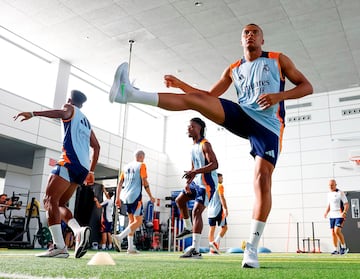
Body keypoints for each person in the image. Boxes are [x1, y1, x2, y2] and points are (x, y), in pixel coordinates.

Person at [109, 23, 313, 267]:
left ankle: (252, 249)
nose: (250, 35)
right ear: (241, 41)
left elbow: (307, 87)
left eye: (254, 32)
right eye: (245, 33)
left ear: (262, 40)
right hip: (243, 115)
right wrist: (182, 84)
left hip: (268, 127)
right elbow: (207, 96)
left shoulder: (279, 60)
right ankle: (129, 94)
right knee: (196, 102)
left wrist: (279, 96)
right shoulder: (233, 69)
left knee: (261, 178)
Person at [14, 90, 100, 258]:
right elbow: (97, 147)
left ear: (69, 99)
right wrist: (91, 171)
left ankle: (59, 247)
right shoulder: (86, 121)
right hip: (82, 167)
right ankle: (78, 230)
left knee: (48, 200)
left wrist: (33, 113)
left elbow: (62, 113)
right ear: (82, 104)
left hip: (68, 161)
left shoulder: (69, 108)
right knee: (59, 203)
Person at [175, 117, 218, 259]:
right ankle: (188, 227)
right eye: (189, 126)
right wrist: (188, 182)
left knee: (196, 211)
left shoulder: (205, 145)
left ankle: (196, 250)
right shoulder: (193, 147)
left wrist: (195, 172)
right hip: (196, 181)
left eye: (192, 126)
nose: (189, 128)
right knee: (180, 200)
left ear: (200, 128)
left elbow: (214, 164)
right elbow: (194, 167)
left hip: (207, 183)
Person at [112, 150, 155, 254]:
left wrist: (117, 198)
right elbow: (145, 182)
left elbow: (120, 183)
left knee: (132, 223)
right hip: (135, 196)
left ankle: (130, 247)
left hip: (125, 197)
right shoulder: (142, 165)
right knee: (138, 222)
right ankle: (120, 237)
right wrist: (151, 196)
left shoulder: (125, 167)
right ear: (141, 157)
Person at [324, 179, 349, 255]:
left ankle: (344, 248)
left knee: (337, 231)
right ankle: (336, 250)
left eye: (332, 185)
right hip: (332, 215)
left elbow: (346, 204)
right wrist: (326, 212)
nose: (330, 186)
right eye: (329, 185)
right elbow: (329, 204)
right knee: (333, 233)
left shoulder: (340, 193)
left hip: (340, 215)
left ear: (335, 185)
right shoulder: (329, 194)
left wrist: (344, 212)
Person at [207, 173, 228, 254]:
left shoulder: (210, 187)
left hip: (210, 211)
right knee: (225, 227)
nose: (222, 179)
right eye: (221, 178)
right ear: (218, 178)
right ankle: (215, 243)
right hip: (218, 210)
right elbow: (221, 197)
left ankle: (211, 249)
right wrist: (225, 208)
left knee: (212, 229)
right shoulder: (219, 186)